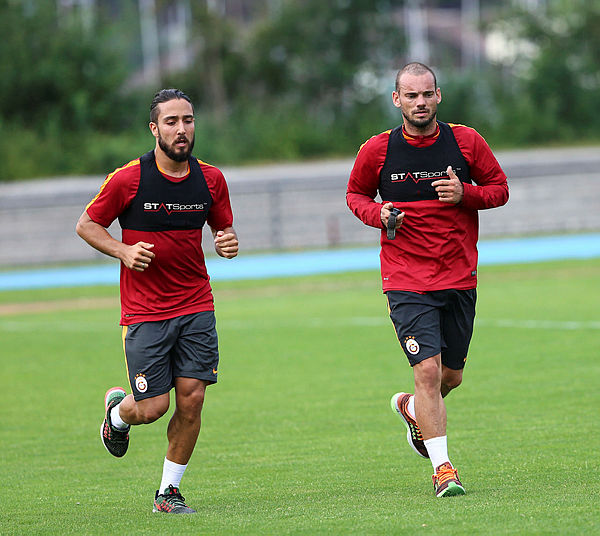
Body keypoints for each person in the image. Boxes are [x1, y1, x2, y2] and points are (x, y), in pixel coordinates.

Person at [346, 62, 508, 497]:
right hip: (406, 279)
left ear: (439, 96)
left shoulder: (466, 141)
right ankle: (444, 470)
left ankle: (412, 410)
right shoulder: (377, 151)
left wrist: (465, 194)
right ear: (396, 100)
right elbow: (355, 195)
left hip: (459, 277)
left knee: (450, 379)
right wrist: (377, 213)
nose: (420, 102)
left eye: (427, 94)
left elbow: (499, 189)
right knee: (428, 371)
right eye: (410, 95)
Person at [76, 88, 239, 513]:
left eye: (187, 120)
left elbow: (223, 230)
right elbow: (87, 225)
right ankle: (117, 414)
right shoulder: (129, 178)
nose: (181, 129)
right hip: (146, 311)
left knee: (193, 399)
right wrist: (123, 250)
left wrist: (227, 243)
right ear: (154, 128)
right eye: (171, 122)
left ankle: (168, 492)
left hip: (197, 304)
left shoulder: (212, 179)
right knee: (151, 408)